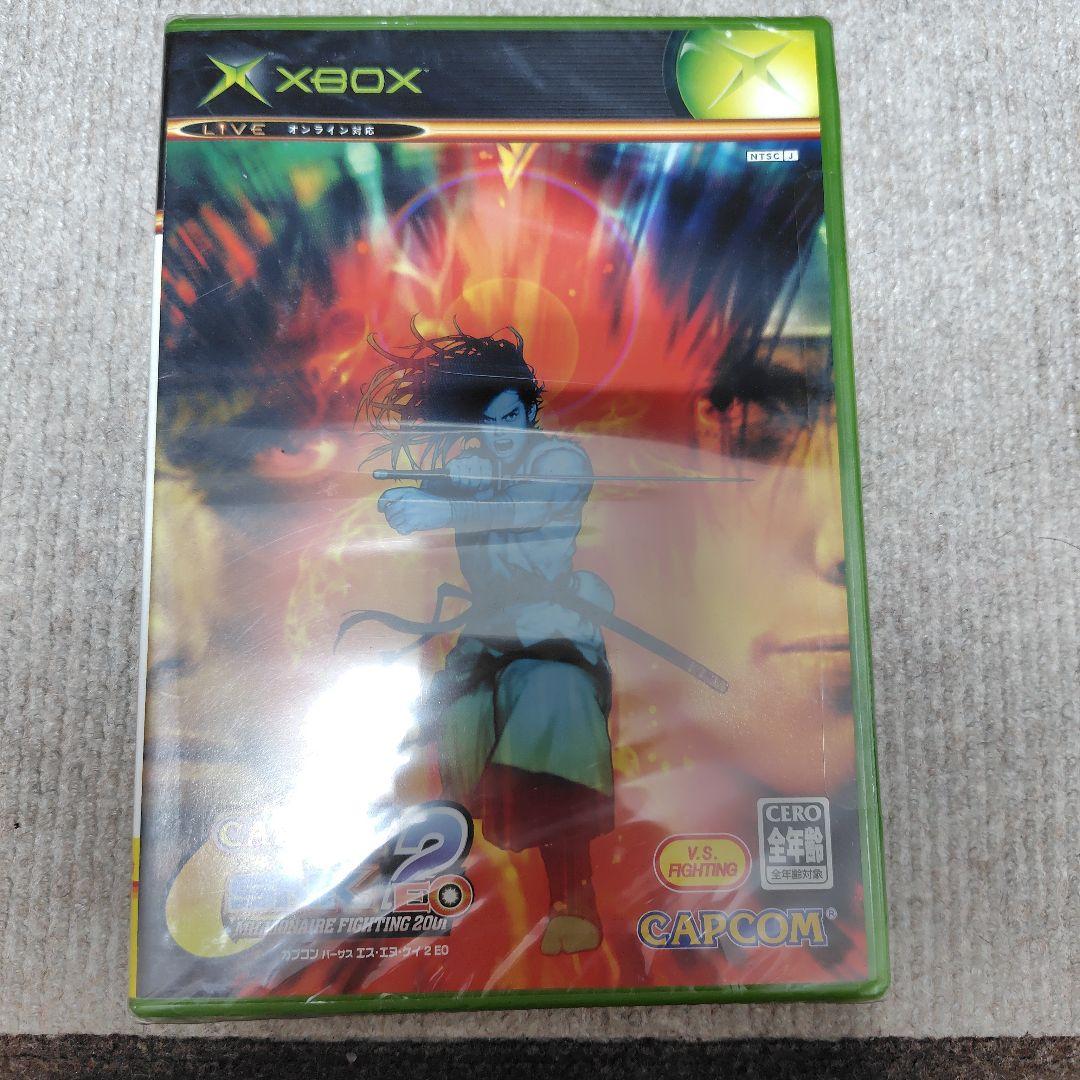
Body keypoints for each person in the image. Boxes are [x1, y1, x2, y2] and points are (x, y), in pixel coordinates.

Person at [352, 320, 614, 955]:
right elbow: (448, 490)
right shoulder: (474, 463)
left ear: (530, 411)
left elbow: (529, 508)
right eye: (486, 423)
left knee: (551, 705)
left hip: (552, 635)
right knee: (436, 728)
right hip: (486, 638)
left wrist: (448, 508)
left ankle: (573, 898)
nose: (499, 434)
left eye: (509, 418)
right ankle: (413, 887)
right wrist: (420, 494)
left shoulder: (561, 460)